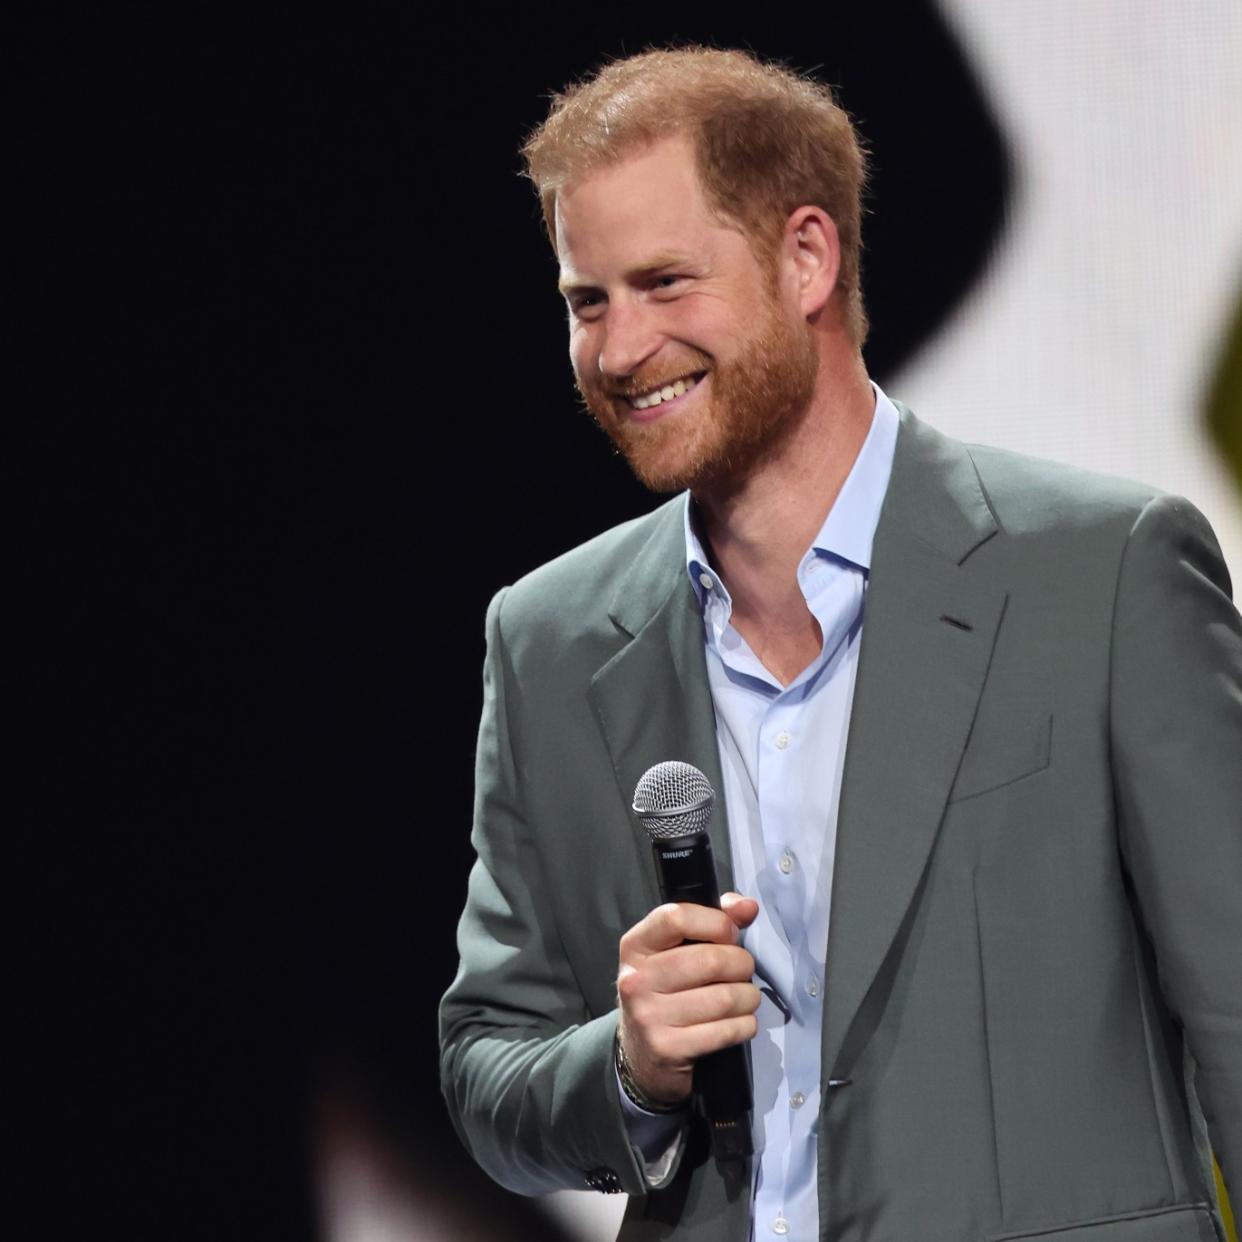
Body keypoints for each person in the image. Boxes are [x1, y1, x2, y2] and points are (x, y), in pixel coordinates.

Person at [439, 47, 1241, 1241]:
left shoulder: (1106, 573)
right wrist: (631, 1063)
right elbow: (487, 1069)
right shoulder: (550, 639)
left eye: (664, 283)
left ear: (807, 257)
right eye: (585, 301)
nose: (617, 351)